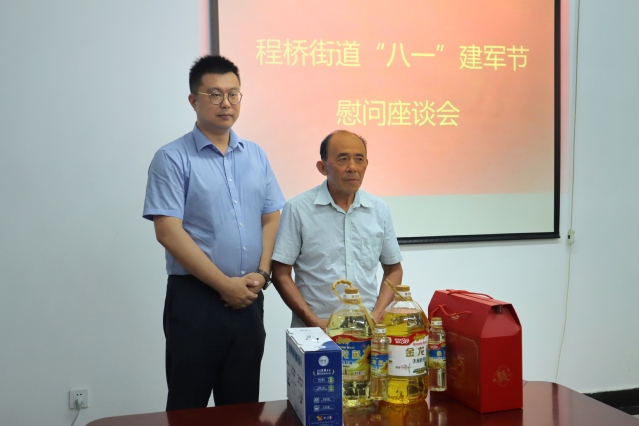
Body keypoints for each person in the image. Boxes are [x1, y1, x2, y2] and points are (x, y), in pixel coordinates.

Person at [142, 55, 285, 410]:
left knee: (242, 406)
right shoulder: (171, 158)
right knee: (188, 406)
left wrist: (262, 273)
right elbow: (168, 232)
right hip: (196, 301)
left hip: (249, 296)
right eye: (215, 94)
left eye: (234, 94)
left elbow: (271, 217)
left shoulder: (256, 155)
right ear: (194, 100)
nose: (226, 103)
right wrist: (224, 286)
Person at [271, 130, 403, 329]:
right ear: (322, 167)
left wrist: (376, 316)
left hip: (366, 329)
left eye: (359, 159)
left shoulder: (379, 210)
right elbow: (280, 273)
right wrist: (313, 321)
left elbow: (393, 269)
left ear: (366, 164)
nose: (352, 167)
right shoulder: (298, 209)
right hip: (315, 331)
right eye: (343, 159)